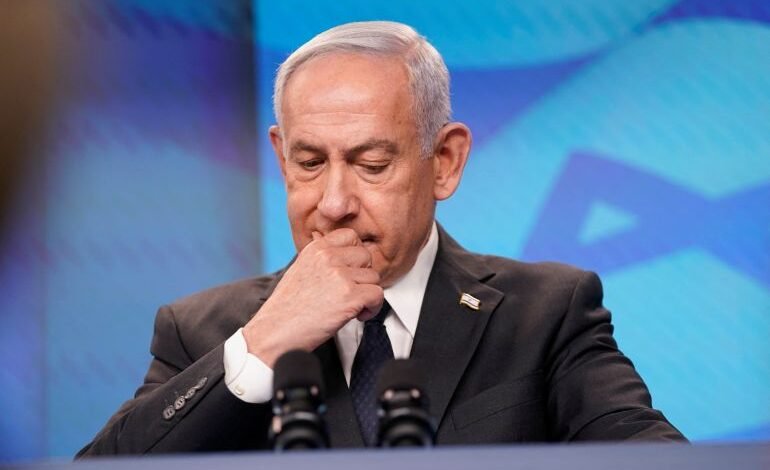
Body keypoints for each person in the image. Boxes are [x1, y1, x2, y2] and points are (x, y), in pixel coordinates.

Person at [77, 21, 685, 456]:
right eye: (309, 163)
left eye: (371, 164)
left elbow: (656, 457)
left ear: (444, 162)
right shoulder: (201, 331)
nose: (334, 203)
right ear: (281, 159)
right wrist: (261, 345)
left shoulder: (547, 313)